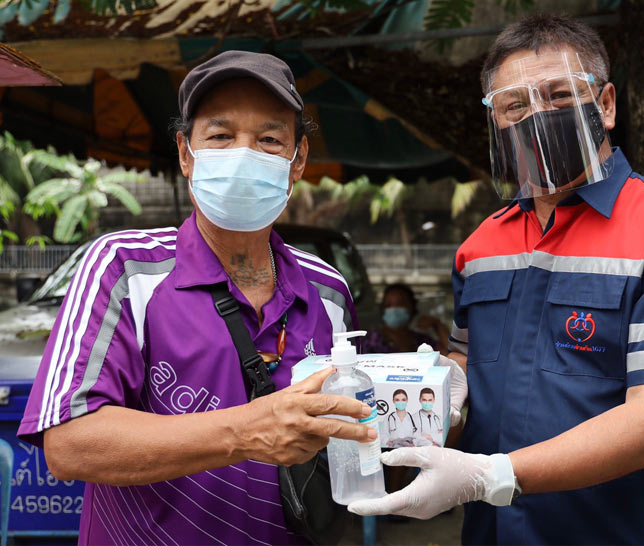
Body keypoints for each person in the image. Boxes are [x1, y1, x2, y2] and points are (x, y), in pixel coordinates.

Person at [349, 14, 644, 545]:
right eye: (515, 105)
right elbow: (472, 381)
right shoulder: (480, 248)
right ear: (496, 120)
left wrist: (493, 475)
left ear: (605, 105)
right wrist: (439, 394)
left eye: (559, 95)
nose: (537, 116)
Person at [17, 51, 379, 545]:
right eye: (221, 136)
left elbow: (352, 438)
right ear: (186, 154)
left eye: (270, 140)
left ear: (298, 161)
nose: (244, 155)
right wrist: (246, 430)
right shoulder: (123, 269)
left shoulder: (327, 291)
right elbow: (68, 444)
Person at [362, 282, 449, 353]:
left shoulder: (423, 341)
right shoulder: (371, 340)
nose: (394, 309)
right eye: (388, 305)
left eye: (400, 303)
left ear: (412, 308)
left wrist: (437, 325)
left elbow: (449, 356)